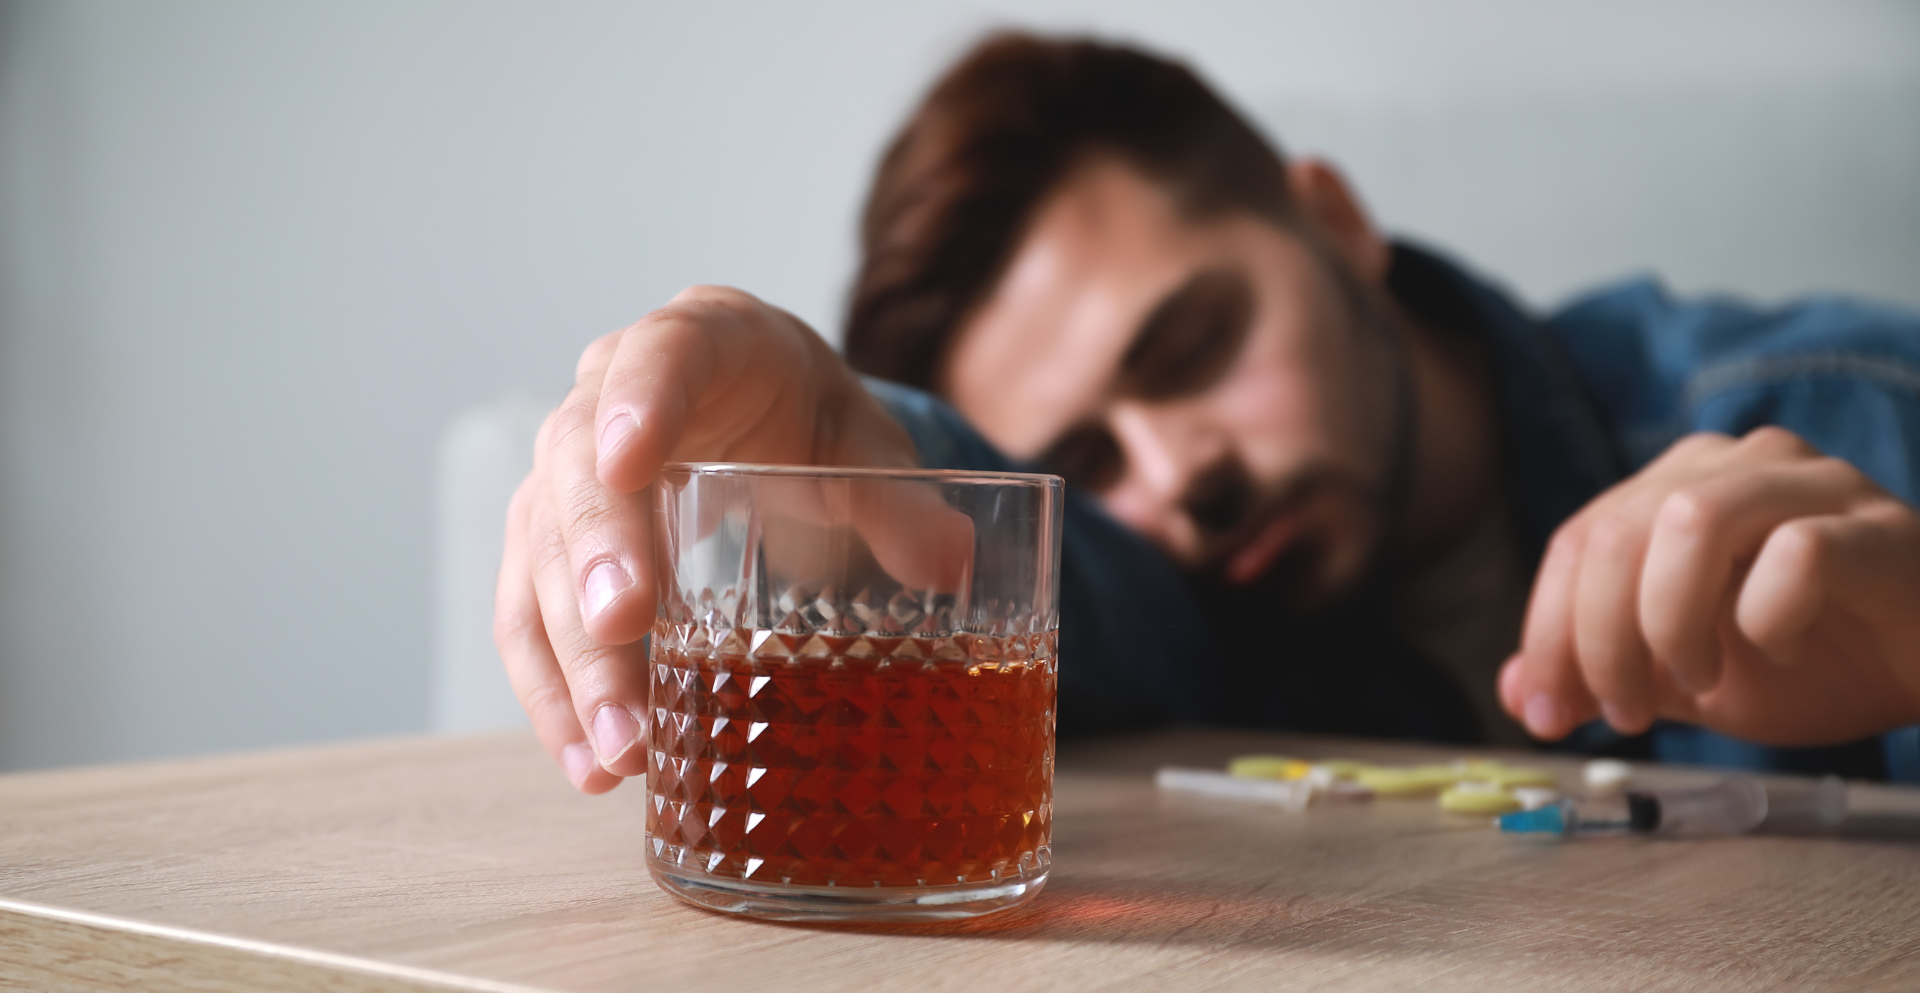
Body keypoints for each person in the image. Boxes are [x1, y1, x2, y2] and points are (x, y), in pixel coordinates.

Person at [495, 32, 1920, 796]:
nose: (1181, 479)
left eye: (1195, 343)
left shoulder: (1844, 419)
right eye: (1085, 462)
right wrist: (836, 470)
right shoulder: (1168, 611)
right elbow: (1032, 564)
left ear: (1336, 219)